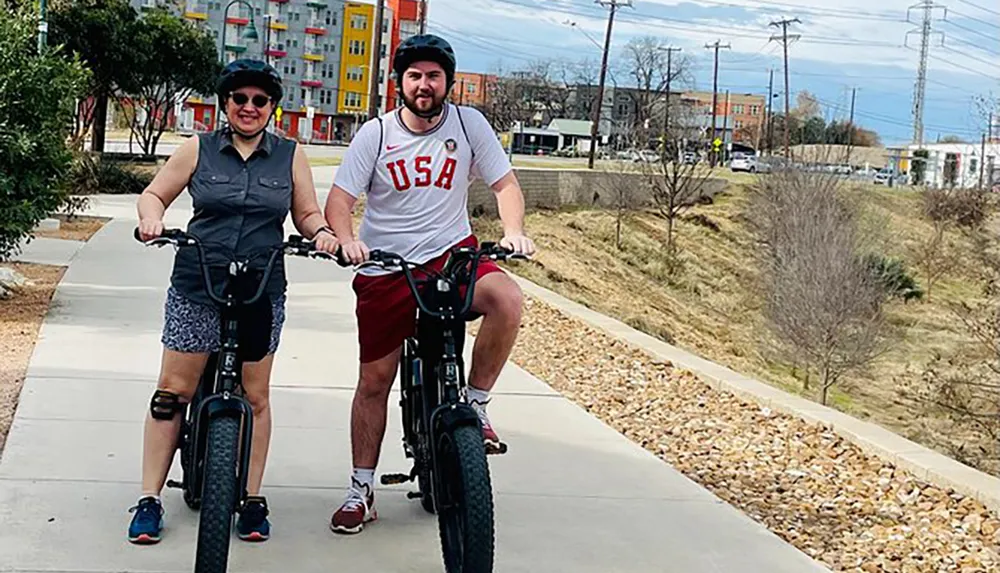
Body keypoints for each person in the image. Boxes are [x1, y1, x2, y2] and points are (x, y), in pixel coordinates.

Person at [324, 34, 536, 535]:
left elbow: (504, 184)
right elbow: (339, 200)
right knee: (375, 382)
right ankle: (361, 489)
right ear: (400, 82)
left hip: (451, 258)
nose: (424, 84)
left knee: (508, 297)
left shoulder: (469, 124)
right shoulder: (374, 135)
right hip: (387, 266)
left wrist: (513, 232)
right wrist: (347, 239)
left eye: (433, 76)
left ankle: (477, 404)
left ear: (448, 82)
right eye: (415, 75)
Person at [128, 58, 339, 544]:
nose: (249, 107)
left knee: (256, 396)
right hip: (199, 282)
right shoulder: (197, 149)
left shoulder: (290, 155)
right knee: (171, 393)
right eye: (239, 99)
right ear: (226, 104)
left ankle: (251, 498)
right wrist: (150, 219)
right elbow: (154, 196)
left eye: (259, 100)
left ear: (271, 108)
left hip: (261, 287)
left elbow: (306, 212)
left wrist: (323, 233)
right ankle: (148, 499)